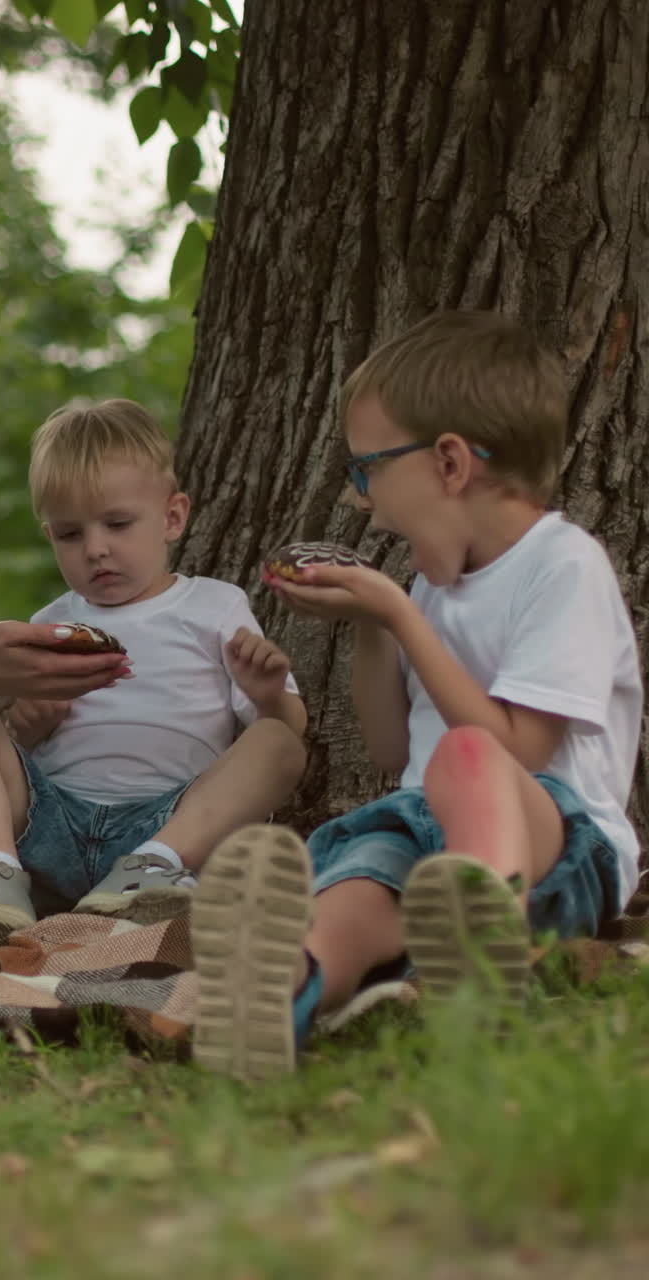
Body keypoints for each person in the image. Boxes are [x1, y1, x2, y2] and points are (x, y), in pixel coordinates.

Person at [189, 309, 644, 1081]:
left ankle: (480, 955)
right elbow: (397, 752)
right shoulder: (431, 594)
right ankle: (288, 985)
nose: (362, 500)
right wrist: (378, 626)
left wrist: (399, 611)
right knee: (364, 876)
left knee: (468, 760)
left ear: (450, 464)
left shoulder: (562, 566)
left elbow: (521, 751)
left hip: (556, 838)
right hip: (423, 825)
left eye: (368, 468)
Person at [0, 399, 306, 953]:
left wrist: (268, 694)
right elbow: (15, 758)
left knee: (277, 743)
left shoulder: (214, 607)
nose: (96, 549)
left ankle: (152, 875)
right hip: (49, 821)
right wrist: (30, 728)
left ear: (172, 517)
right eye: (69, 534)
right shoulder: (50, 623)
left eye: (118, 523)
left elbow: (287, 726)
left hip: (165, 822)